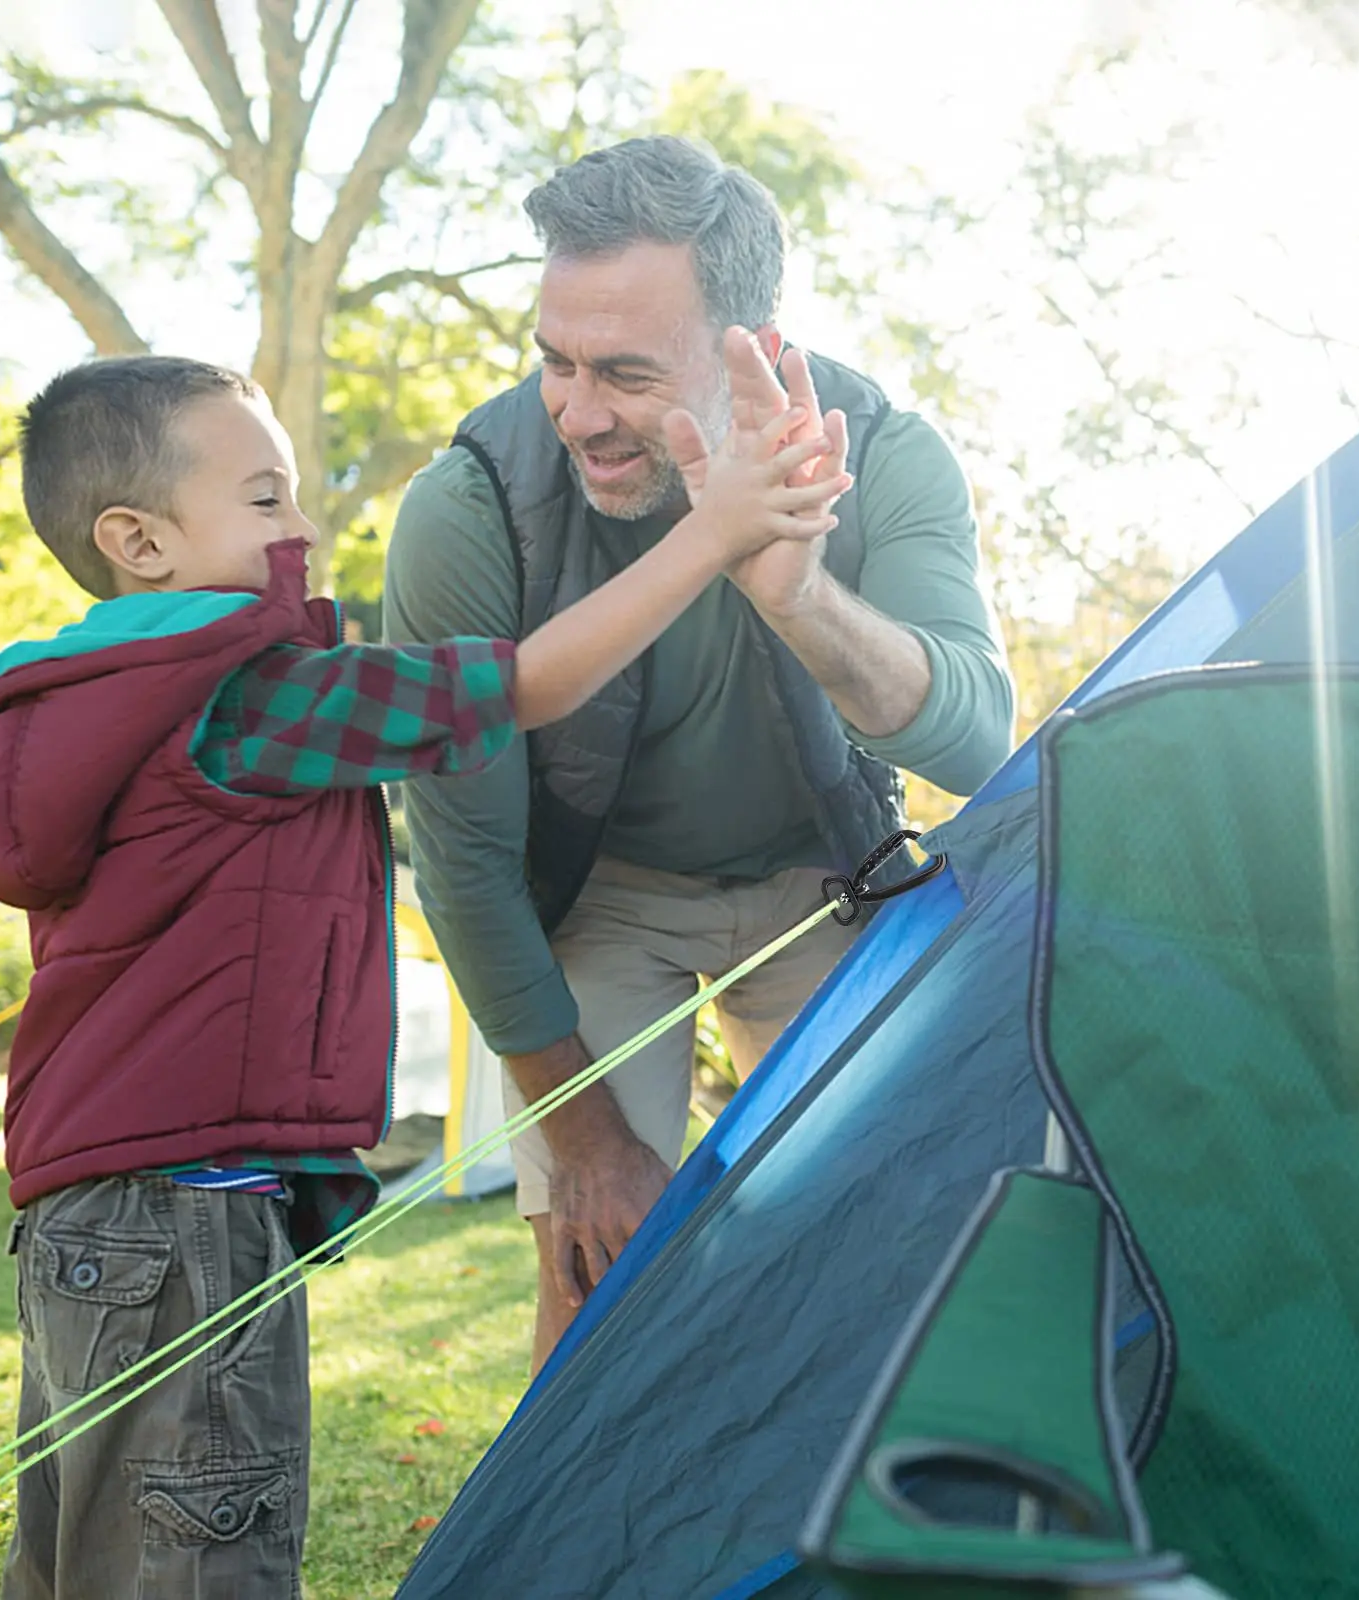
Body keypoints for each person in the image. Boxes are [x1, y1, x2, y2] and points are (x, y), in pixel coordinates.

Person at [0, 352, 846, 1598]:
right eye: (266, 499)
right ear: (138, 540)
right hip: (195, 1216)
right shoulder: (253, 701)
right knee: (204, 1555)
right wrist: (716, 531)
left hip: (79, 1224)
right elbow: (528, 681)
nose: (306, 524)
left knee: (77, 1559)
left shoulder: (70, 711)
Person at [383, 135, 1016, 1374]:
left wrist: (802, 601)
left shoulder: (884, 455)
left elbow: (981, 742)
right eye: (553, 361)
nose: (577, 412)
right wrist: (586, 1144)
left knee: (898, 1234)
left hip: (816, 879)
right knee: (596, 1266)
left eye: (623, 372)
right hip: (604, 897)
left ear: (753, 354)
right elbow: (462, 860)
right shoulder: (466, 509)